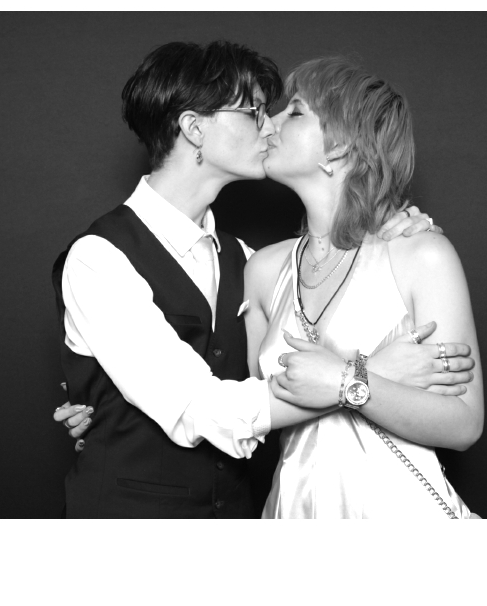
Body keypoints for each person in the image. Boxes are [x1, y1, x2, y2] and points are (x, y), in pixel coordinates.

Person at [50, 40, 464, 517]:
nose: (269, 127)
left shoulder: (249, 262)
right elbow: (204, 409)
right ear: (194, 128)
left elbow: (267, 379)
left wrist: (395, 224)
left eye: (281, 112)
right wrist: (368, 374)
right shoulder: (98, 258)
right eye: (254, 112)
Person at [247, 57, 481, 516]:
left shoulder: (421, 254)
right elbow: (253, 413)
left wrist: (346, 380)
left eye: (294, 111)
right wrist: (371, 372)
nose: (268, 122)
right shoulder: (262, 270)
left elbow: (465, 424)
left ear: (339, 147)